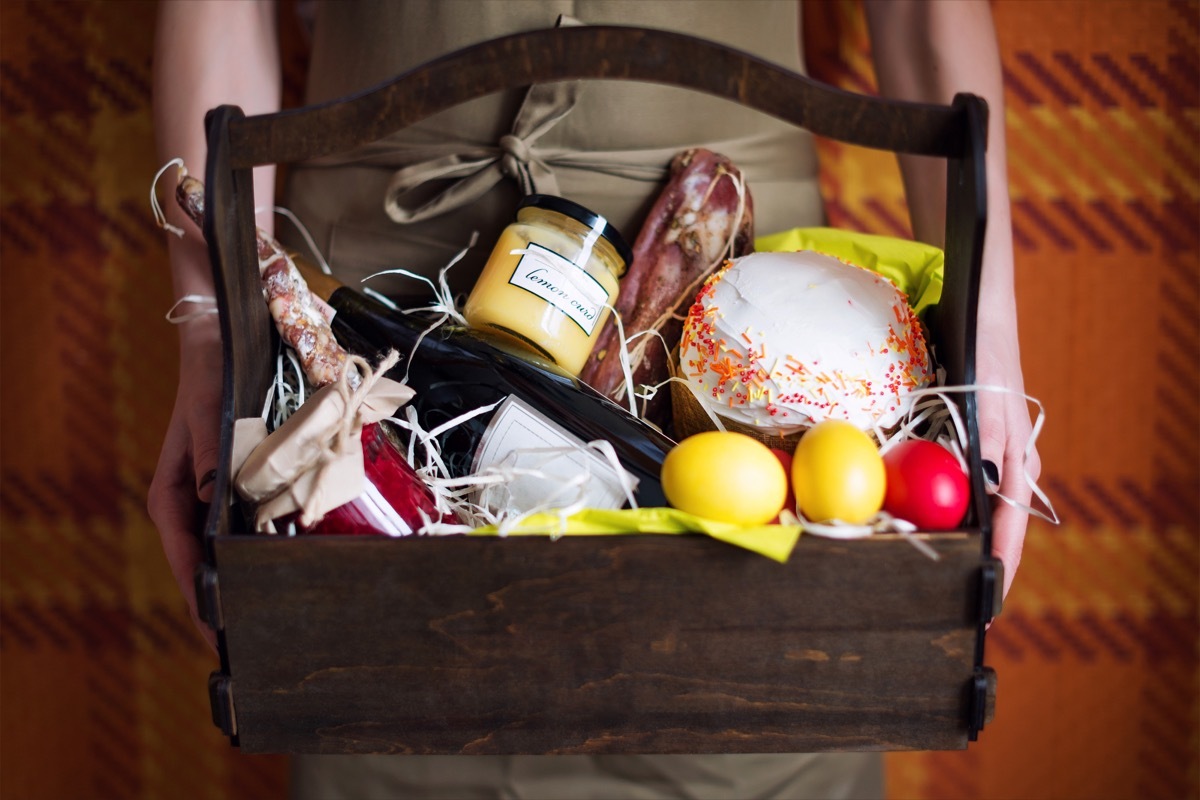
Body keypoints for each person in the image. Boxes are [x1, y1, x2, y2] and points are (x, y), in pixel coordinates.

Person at [149, 2, 1038, 798]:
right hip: (371, 298)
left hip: (745, 289)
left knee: (762, 695)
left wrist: (987, 332)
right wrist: (211, 326)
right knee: (397, 696)